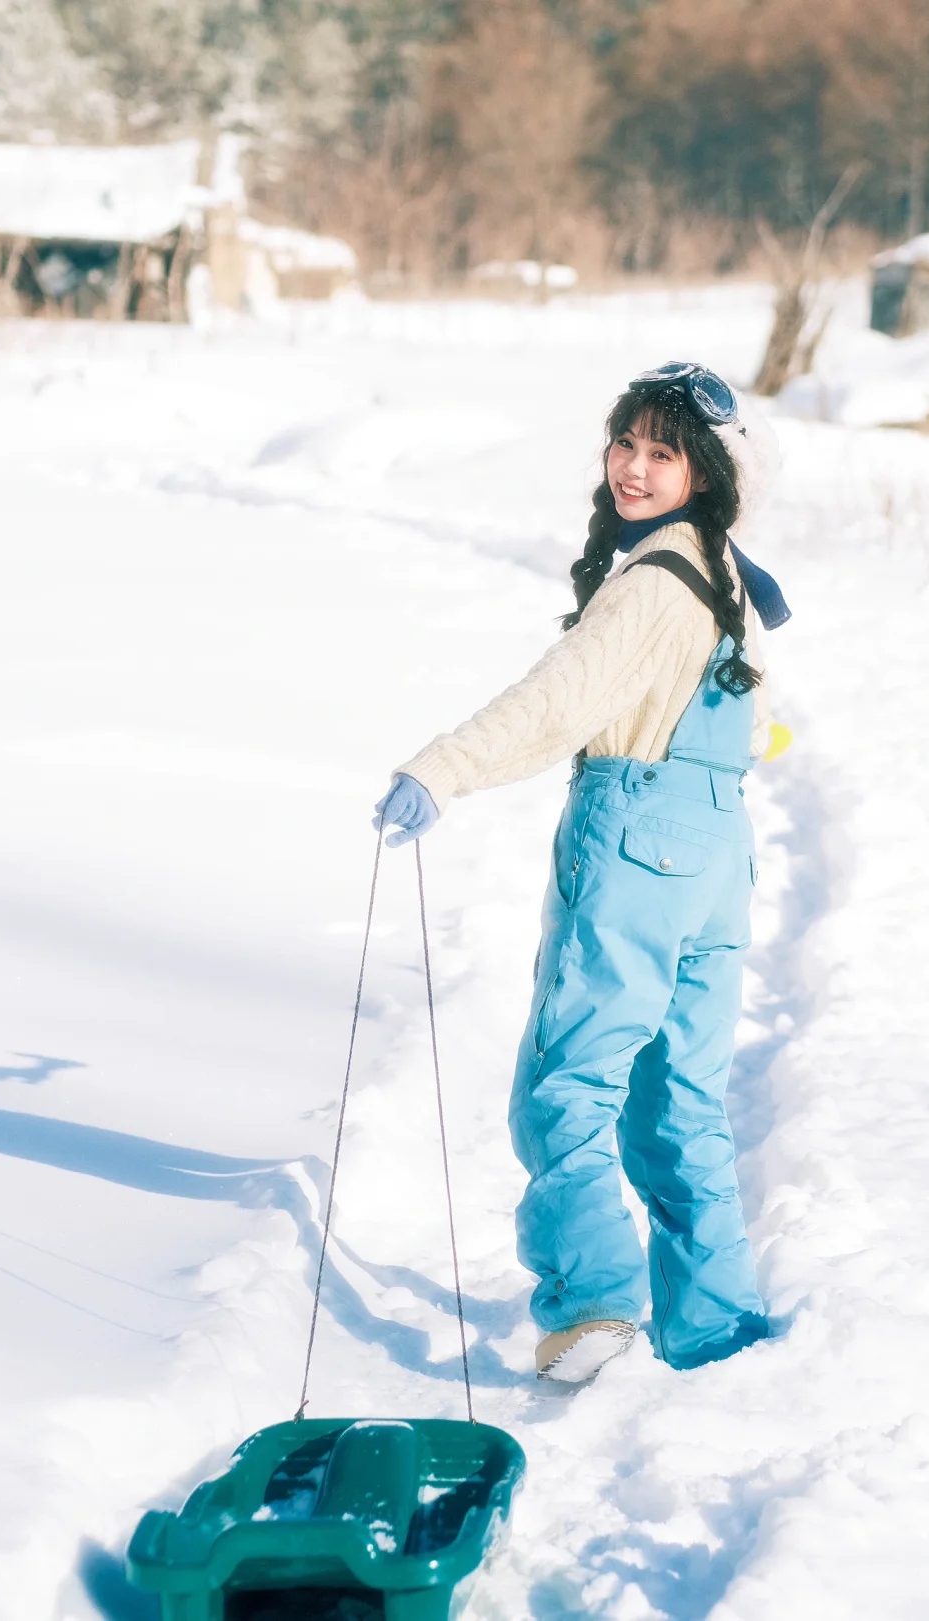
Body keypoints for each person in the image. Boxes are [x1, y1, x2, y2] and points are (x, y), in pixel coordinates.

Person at [374, 363, 789, 1383]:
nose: (634, 469)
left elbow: (560, 700)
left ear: (706, 472)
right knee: (677, 1100)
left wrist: (444, 767)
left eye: (663, 452)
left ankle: (596, 1301)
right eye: (626, 445)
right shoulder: (727, 572)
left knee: (568, 1085)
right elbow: (755, 714)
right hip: (717, 855)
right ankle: (715, 1326)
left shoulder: (651, 583)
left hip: (638, 841)